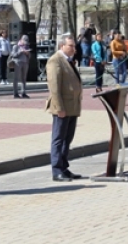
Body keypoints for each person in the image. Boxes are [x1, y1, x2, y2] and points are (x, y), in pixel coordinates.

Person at [46, 35, 83, 182]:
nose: (74, 49)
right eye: (71, 46)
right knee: (58, 139)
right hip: (62, 107)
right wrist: (59, 107)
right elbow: (54, 87)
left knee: (67, 139)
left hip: (72, 106)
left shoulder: (68, 61)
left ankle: (64, 167)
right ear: (62, 46)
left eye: (74, 46)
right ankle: (56, 170)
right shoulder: (56, 60)